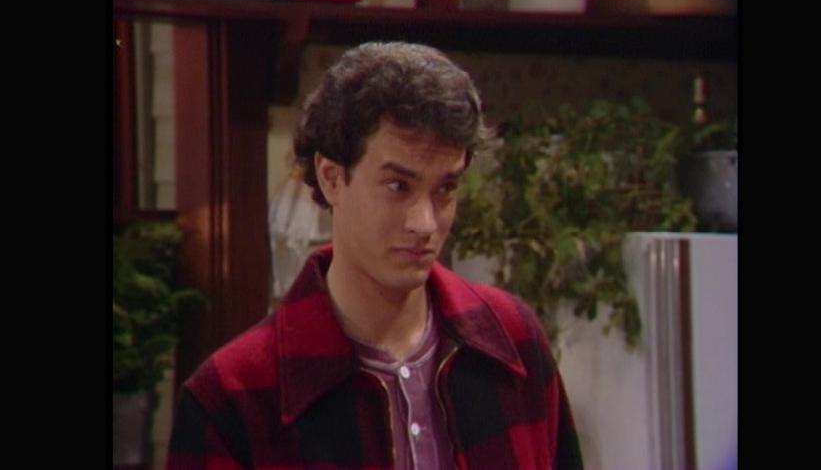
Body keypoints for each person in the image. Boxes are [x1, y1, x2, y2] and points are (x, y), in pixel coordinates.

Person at [167, 41, 583, 470]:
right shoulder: (231, 400)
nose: (424, 223)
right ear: (332, 179)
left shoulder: (515, 341)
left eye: (445, 188)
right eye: (397, 186)